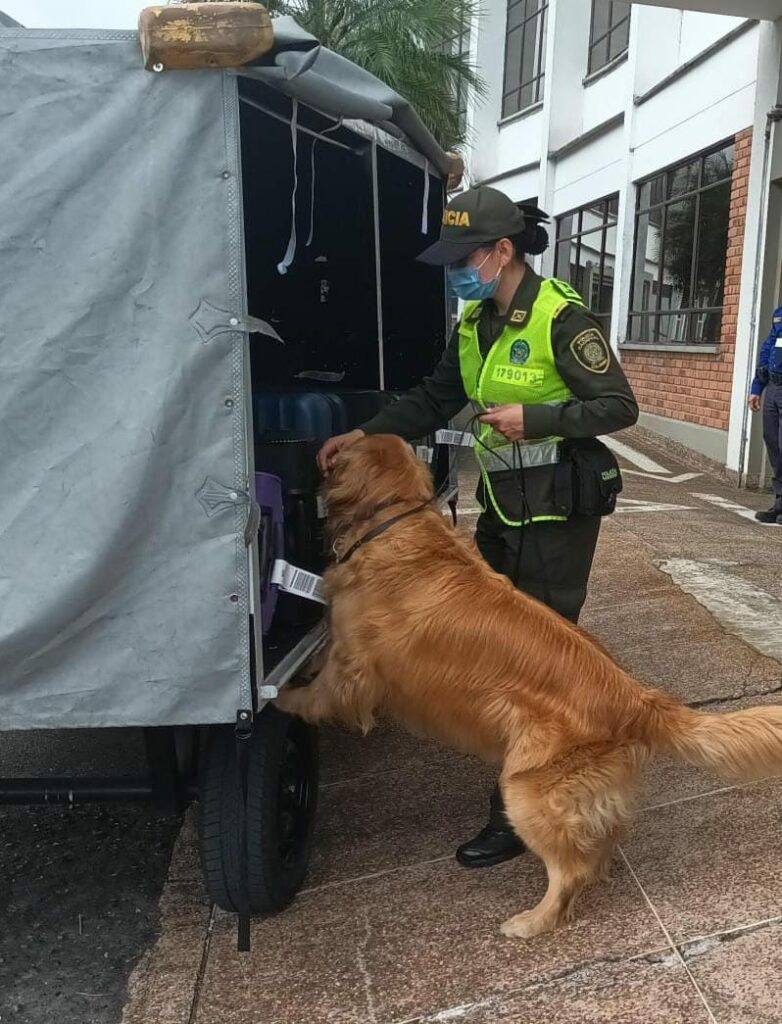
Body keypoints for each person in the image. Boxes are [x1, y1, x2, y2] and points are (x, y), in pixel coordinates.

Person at [318, 186, 639, 868]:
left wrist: (539, 418)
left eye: (464, 258)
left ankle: (522, 809)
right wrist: (363, 434)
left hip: (557, 514)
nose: (455, 271)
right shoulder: (476, 323)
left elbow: (617, 405)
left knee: (539, 661)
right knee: (499, 656)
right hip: (503, 505)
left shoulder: (561, 319)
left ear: (501, 251)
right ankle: (533, 778)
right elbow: (437, 397)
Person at [749, 306, 782, 523]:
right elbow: (768, 347)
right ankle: (779, 501)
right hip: (772, 385)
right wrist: (756, 387)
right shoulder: (779, 314)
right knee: (772, 441)